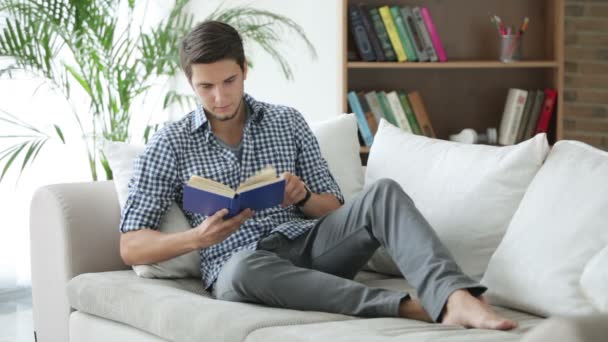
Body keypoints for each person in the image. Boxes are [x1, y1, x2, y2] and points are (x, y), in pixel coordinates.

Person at [119, 20, 517, 330]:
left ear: (245, 70)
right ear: (190, 82)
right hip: (241, 266)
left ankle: (454, 294)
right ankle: (410, 307)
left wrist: (303, 197)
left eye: (229, 81)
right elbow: (131, 245)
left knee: (384, 195)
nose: (220, 97)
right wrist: (196, 238)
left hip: (309, 246)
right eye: (206, 87)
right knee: (243, 268)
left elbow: (333, 207)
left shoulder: (286, 121)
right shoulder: (169, 142)